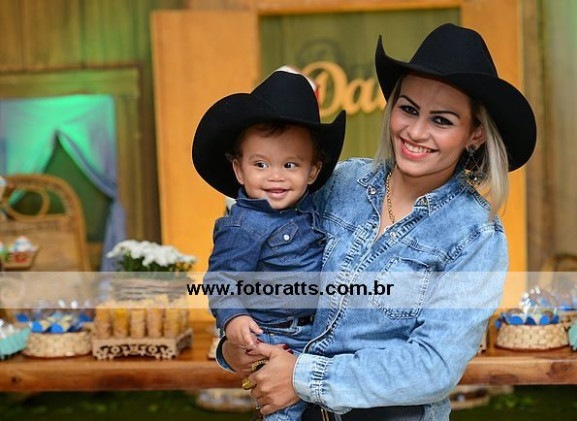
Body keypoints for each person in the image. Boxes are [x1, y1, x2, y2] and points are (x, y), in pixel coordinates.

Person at [217, 23, 537, 421]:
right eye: (408, 109)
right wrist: (233, 342)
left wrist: (302, 377)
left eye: (441, 120)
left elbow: (433, 367)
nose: (415, 131)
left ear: (474, 134)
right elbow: (257, 265)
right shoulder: (338, 185)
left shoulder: (476, 235)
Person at [192, 69, 346, 421]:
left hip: (317, 334)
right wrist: (234, 317)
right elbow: (221, 279)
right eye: (260, 164)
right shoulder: (243, 226)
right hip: (275, 338)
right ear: (239, 170)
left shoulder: (307, 207)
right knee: (282, 411)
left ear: (312, 171)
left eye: (290, 164)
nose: (276, 176)